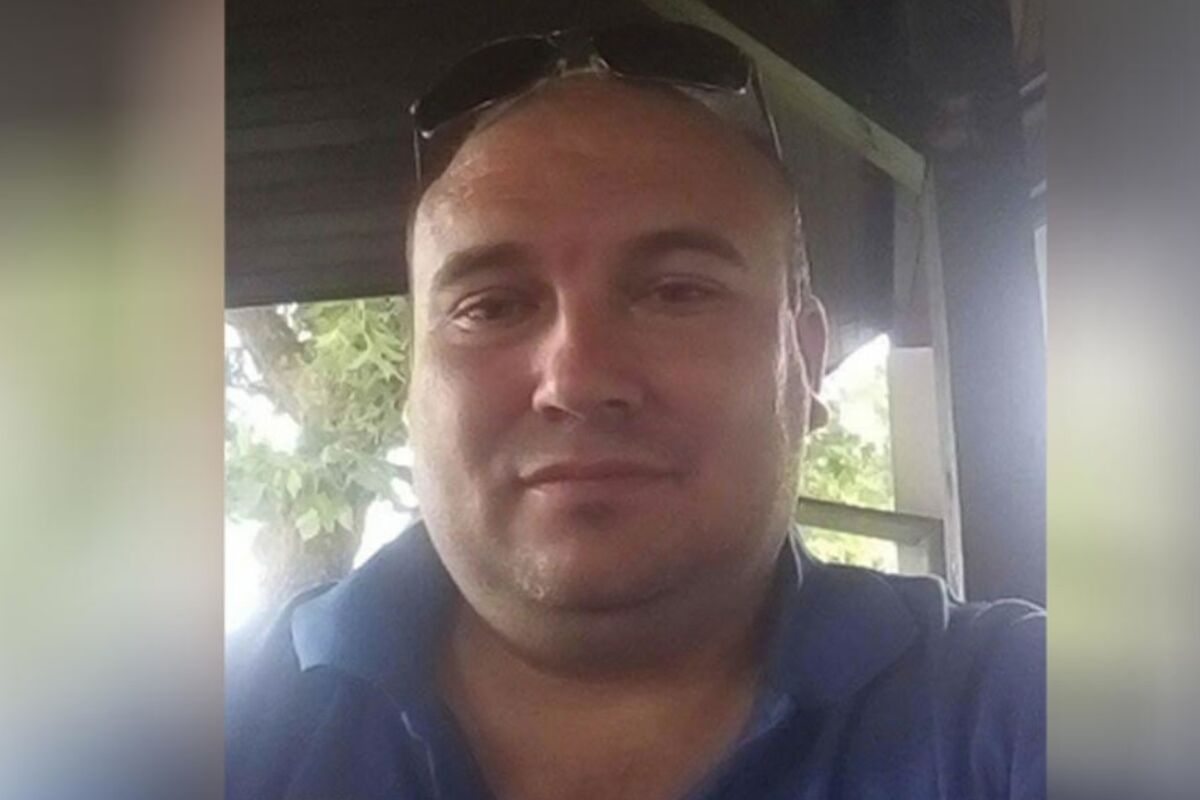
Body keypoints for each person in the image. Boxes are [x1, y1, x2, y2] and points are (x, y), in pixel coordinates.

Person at [226, 22, 1045, 800]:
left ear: (804, 359)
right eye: (493, 307)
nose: (577, 379)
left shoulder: (1020, 705)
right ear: (413, 386)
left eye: (677, 292)